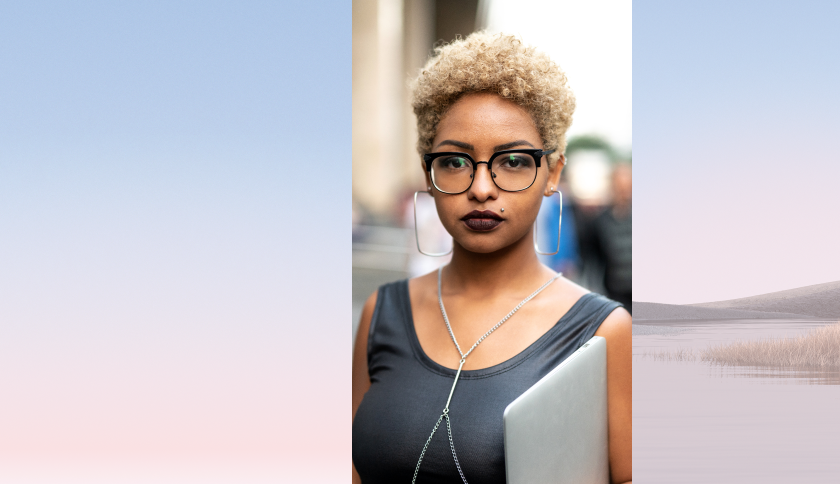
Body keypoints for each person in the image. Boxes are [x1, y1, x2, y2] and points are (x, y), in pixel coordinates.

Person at [352, 32, 631, 484]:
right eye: (456, 162)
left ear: (552, 172)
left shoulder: (602, 333)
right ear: (429, 172)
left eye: (513, 161)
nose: (482, 187)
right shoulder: (381, 313)